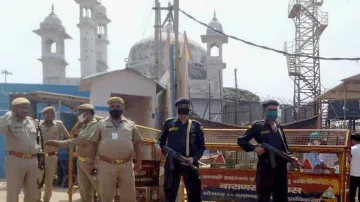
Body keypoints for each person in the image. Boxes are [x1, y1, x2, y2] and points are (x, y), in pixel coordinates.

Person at [237, 100, 299, 202]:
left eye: (275, 110)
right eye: (270, 110)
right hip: (266, 168)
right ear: (264, 111)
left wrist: (290, 158)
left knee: (281, 196)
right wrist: (254, 148)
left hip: (281, 168)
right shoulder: (258, 125)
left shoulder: (279, 127)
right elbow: (241, 140)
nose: (273, 112)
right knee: (264, 197)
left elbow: (284, 148)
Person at [89, 96, 143, 202]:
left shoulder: (131, 124)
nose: (115, 108)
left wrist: (139, 162)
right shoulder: (100, 124)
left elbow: (137, 144)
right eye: (112, 106)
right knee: (106, 195)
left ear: (122, 108)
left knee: (129, 195)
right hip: (106, 164)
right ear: (109, 109)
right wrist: (91, 160)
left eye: (118, 106)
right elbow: (93, 143)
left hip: (126, 164)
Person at [45, 103, 99, 202]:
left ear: (86, 113)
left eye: (79, 113)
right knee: (84, 192)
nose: (78, 116)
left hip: (92, 162)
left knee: (100, 191)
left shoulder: (95, 126)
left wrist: (58, 143)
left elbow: (80, 140)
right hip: (81, 162)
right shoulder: (85, 126)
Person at [157, 97, 205, 202]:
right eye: (180, 108)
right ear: (177, 110)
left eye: (185, 108)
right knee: (169, 192)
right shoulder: (169, 123)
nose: (183, 110)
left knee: (194, 193)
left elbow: (202, 147)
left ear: (190, 110)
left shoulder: (196, 126)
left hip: (190, 163)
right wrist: (159, 149)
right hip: (172, 163)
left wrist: (193, 158)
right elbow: (160, 141)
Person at [0, 97, 40, 202]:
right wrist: (8, 115)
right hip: (16, 160)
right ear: (14, 108)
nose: (25, 110)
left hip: (32, 160)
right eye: (22, 108)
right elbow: (1, 129)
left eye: (27, 108)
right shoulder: (8, 120)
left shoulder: (31, 121)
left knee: (32, 194)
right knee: (13, 193)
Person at [36, 106, 70, 202]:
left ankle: (46, 199)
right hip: (39, 157)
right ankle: (37, 199)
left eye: (52, 113)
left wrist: (58, 144)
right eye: (48, 113)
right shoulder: (38, 124)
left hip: (51, 156)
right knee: (37, 180)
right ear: (43, 115)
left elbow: (67, 136)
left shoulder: (58, 124)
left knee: (49, 182)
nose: (50, 115)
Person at [349, 134, 360, 202]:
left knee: (352, 193)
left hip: (353, 174)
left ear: (353, 140)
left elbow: (348, 160)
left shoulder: (352, 149)